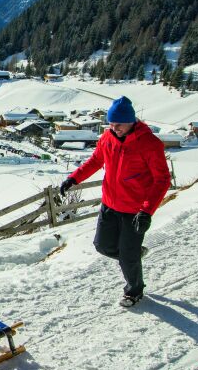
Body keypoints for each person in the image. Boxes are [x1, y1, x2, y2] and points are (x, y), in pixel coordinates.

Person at [58, 96, 170, 306]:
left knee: (127, 257)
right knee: (102, 246)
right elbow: (96, 160)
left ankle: (134, 290)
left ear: (131, 121)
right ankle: (134, 255)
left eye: (118, 124)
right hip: (109, 205)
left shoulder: (150, 144)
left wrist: (147, 211)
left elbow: (162, 179)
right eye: (111, 123)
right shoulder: (107, 138)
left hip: (135, 210)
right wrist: (74, 178)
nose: (114, 127)